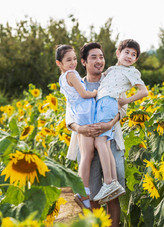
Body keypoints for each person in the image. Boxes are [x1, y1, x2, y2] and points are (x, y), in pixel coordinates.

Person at [92, 39, 148, 201]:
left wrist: (125, 101)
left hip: (109, 102)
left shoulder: (132, 72)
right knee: (104, 143)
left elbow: (144, 92)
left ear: (136, 60)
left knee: (100, 142)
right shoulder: (111, 69)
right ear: (118, 53)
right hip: (103, 102)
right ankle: (113, 181)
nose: (130, 56)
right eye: (127, 52)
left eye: (134, 55)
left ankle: (109, 182)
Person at [56, 44, 99, 210]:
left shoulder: (63, 78)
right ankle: (83, 193)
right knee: (87, 155)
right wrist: (96, 93)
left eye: (74, 59)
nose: (73, 62)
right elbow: (84, 94)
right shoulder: (72, 74)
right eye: (68, 60)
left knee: (86, 155)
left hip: (79, 114)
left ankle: (84, 194)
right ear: (59, 63)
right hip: (85, 114)